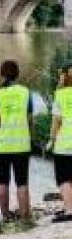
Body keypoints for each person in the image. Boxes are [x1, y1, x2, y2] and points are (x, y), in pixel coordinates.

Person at [0, 60, 33, 221]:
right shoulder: (25, 92)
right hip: (21, 145)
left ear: (1, 74)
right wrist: (30, 138)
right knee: (22, 182)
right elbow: (29, 119)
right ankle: (25, 216)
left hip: (1, 146)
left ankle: (6, 215)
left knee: (2, 181)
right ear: (17, 74)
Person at [46, 63, 72, 223]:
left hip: (65, 144)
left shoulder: (60, 95)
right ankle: (68, 205)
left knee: (63, 178)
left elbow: (56, 122)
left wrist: (51, 140)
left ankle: (69, 210)